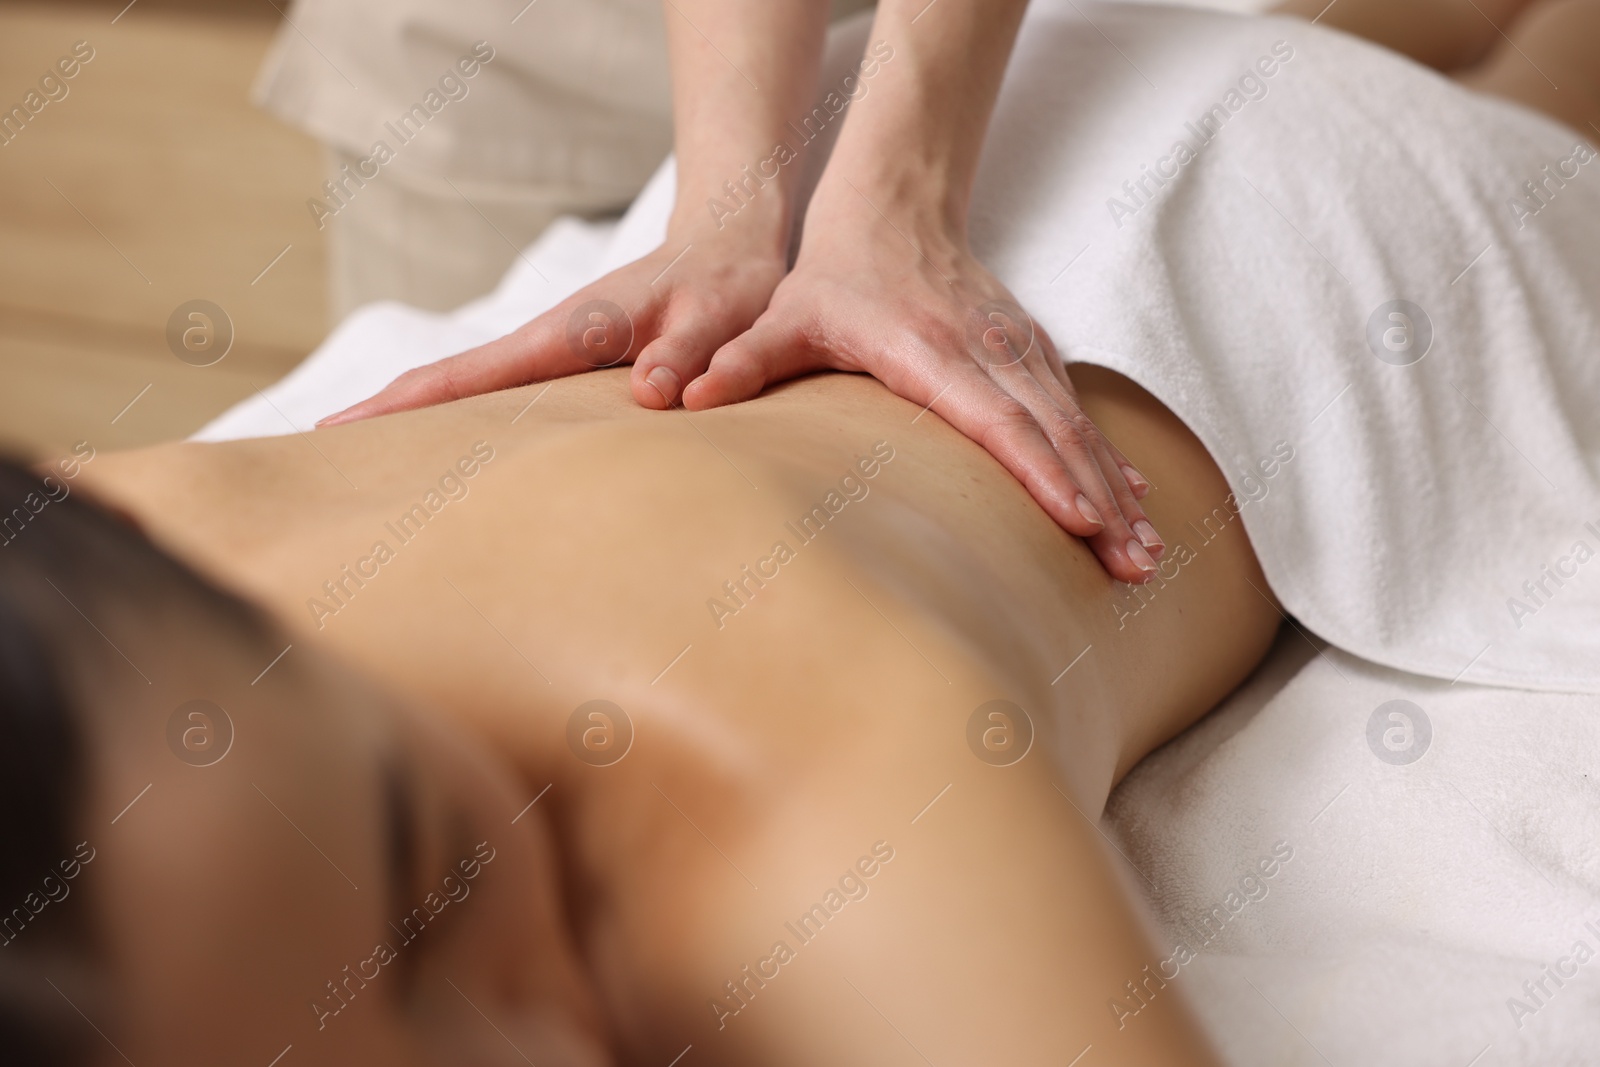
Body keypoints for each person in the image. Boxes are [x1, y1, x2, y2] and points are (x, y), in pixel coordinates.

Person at [5, 1, 1598, 1064]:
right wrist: (728, 213)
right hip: (837, 157)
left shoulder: (794, 774)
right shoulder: (78, 554)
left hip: (1288, 223)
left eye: (437, 880)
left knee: (1545, 92)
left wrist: (892, 200)